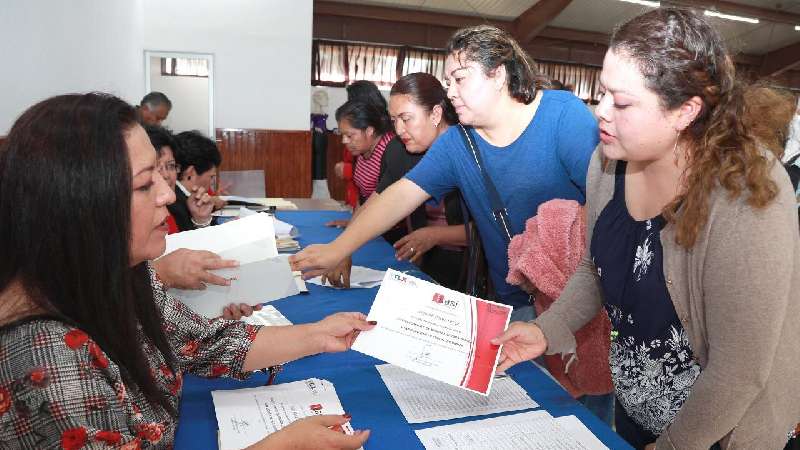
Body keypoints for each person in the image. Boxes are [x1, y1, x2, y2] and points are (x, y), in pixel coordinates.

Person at [491, 8, 800, 450]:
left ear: (685, 112)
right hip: (640, 417)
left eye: (622, 102)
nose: (600, 112)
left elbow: (740, 368)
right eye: (602, 94)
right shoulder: (607, 163)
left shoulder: (746, 194)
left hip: (720, 434)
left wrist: (675, 444)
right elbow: (598, 267)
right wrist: (546, 330)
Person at [0, 92, 373, 449]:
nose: (167, 194)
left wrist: (319, 335)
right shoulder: (46, 354)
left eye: (165, 174)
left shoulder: (124, 271)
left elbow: (203, 343)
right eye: (146, 183)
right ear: (80, 207)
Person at [291, 24, 598, 321]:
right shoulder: (458, 142)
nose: (450, 92)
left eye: (459, 79)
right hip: (514, 300)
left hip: (578, 296)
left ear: (498, 75)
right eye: (448, 82)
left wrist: (545, 255)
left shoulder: (562, 116)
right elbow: (399, 195)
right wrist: (339, 248)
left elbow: (606, 204)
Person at [322, 72, 468, 291]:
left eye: (406, 119)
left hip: (471, 268)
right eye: (393, 120)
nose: (399, 130)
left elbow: (487, 232)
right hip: (428, 260)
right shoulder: (400, 151)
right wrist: (343, 249)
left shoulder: (470, 152)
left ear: (436, 113)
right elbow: (378, 201)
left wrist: (435, 235)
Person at [144, 125, 256, 320]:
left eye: (170, 166)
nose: (165, 176)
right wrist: (161, 273)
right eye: (153, 167)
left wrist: (200, 220)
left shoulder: (174, 206)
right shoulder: (124, 224)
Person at [332, 80, 391, 211]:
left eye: (349, 136)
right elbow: (363, 197)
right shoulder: (363, 147)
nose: (344, 141)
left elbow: (384, 204)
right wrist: (353, 223)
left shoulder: (388, 149)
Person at [170, 130, 222, 231]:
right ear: (191, 173)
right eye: (211, 177)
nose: (211, 183)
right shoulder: (175, 206)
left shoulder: (181, 196)